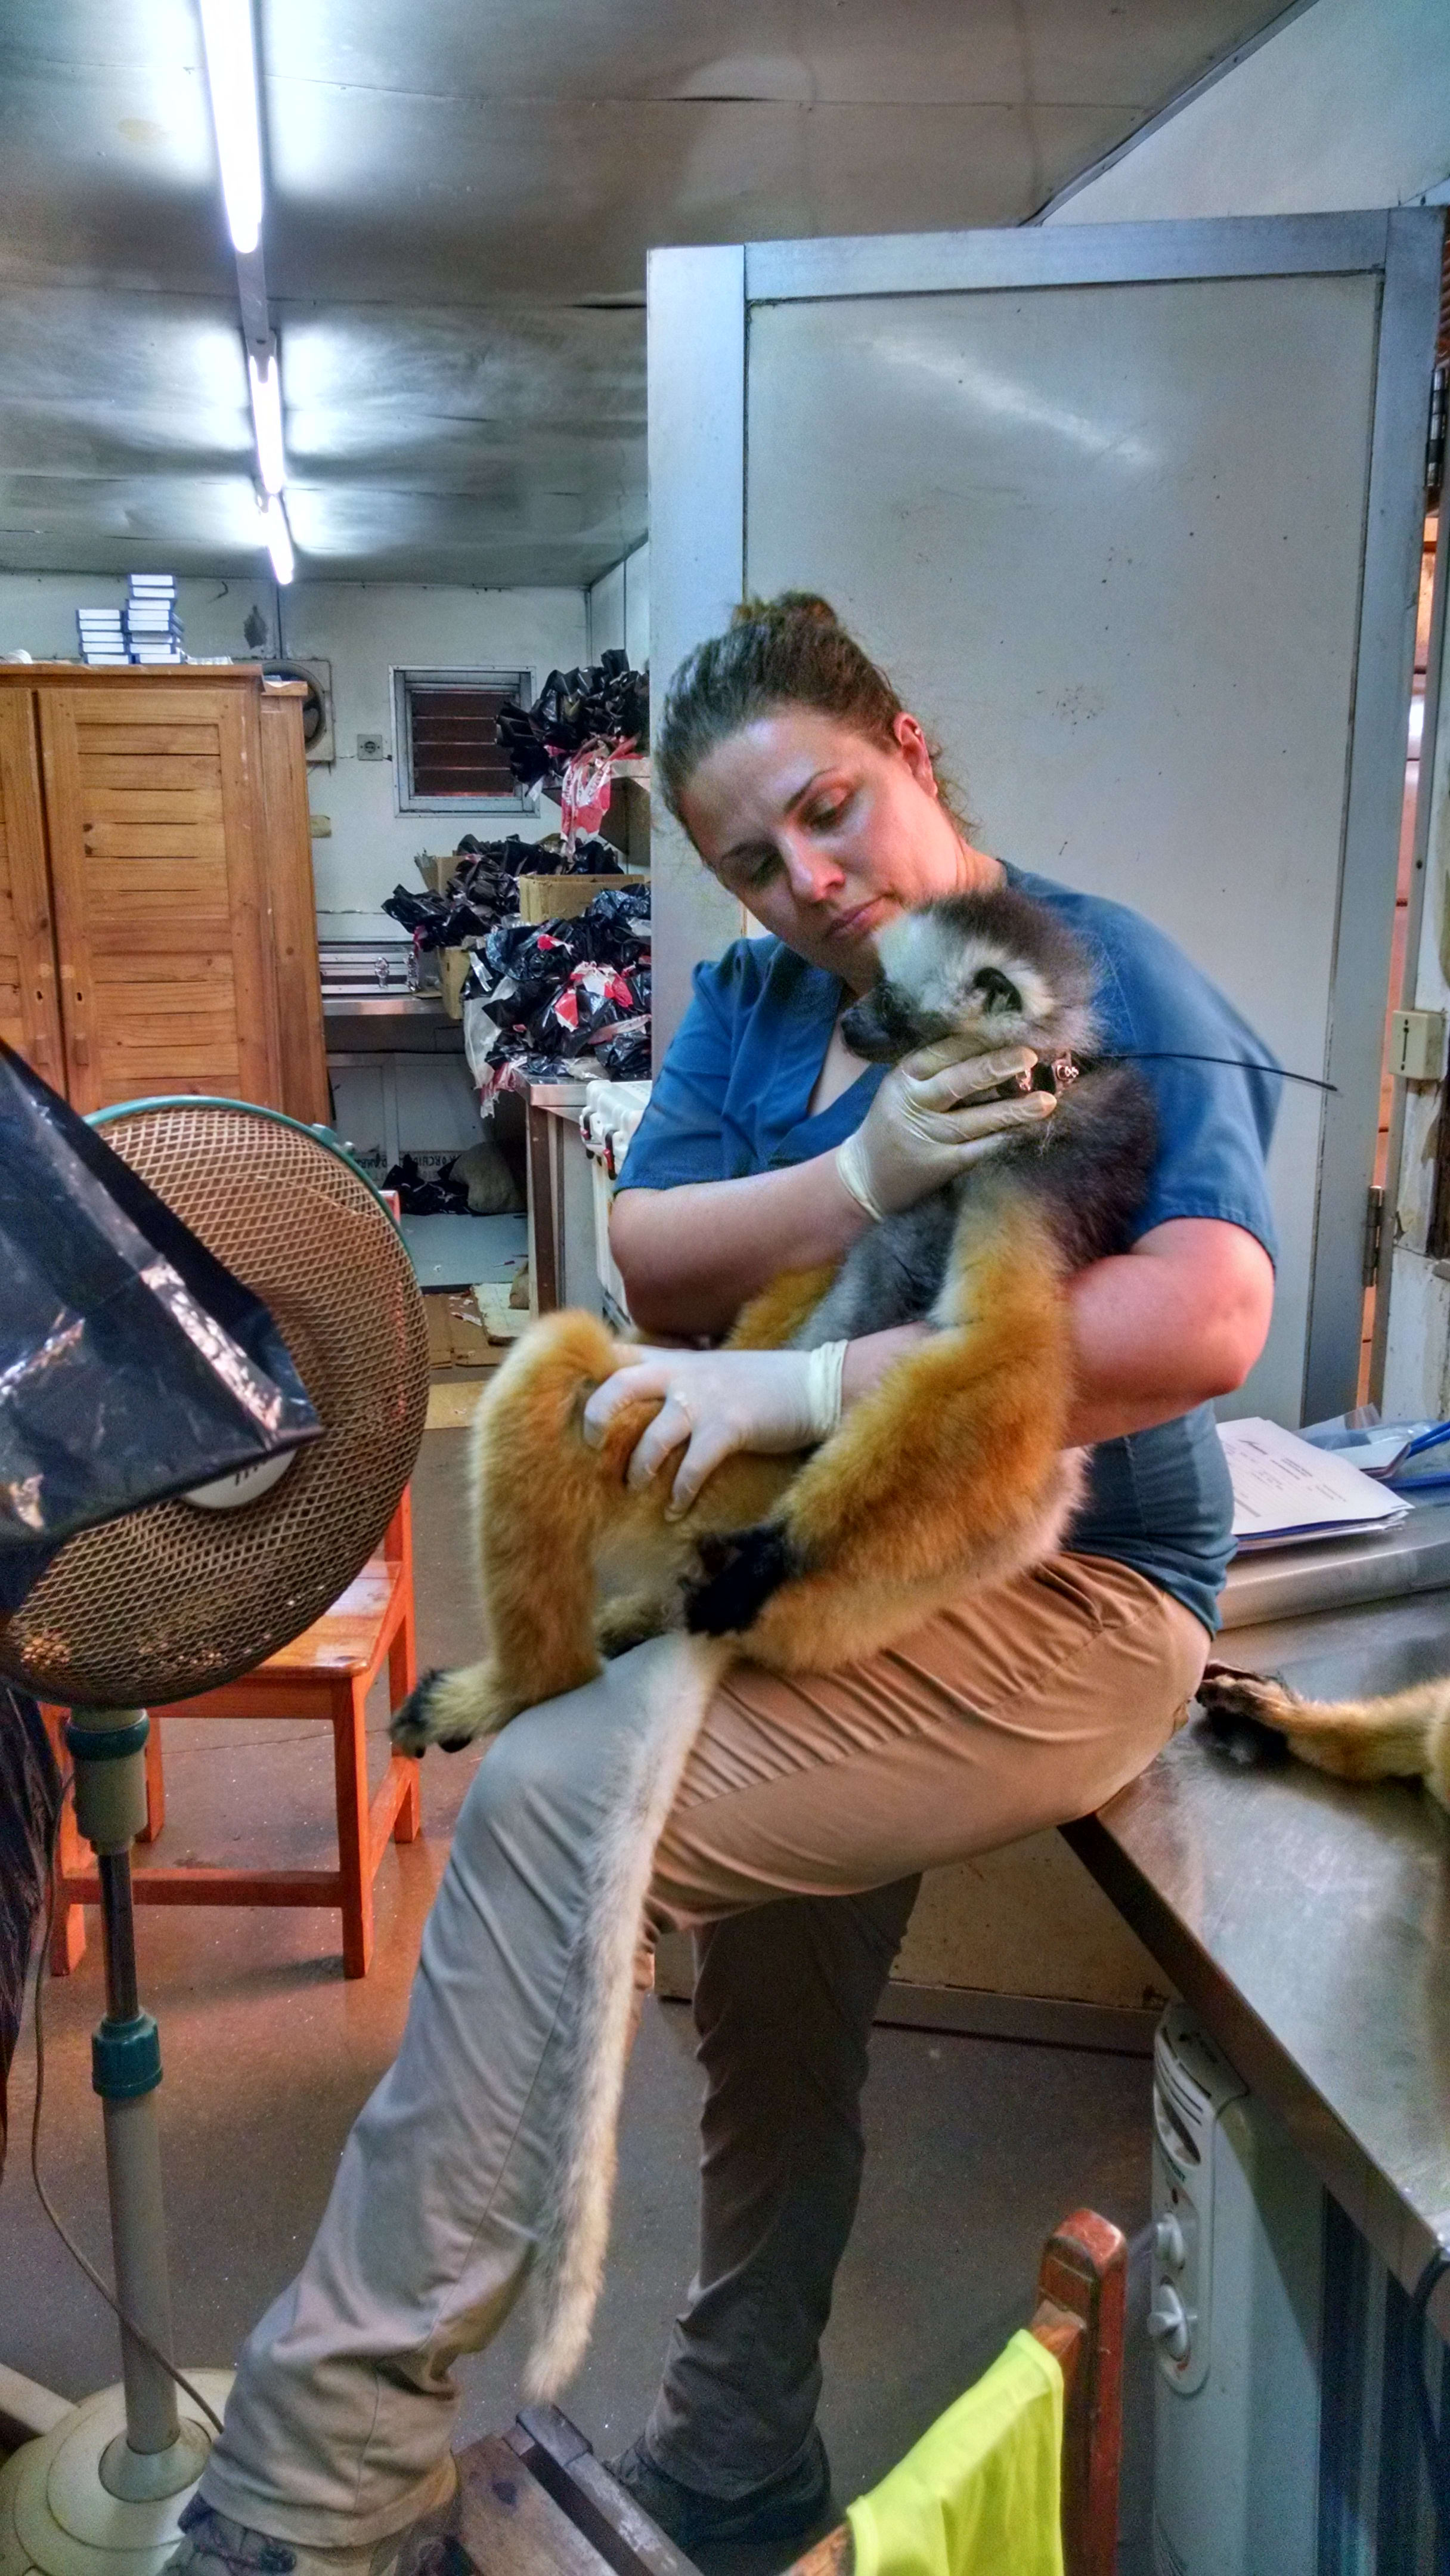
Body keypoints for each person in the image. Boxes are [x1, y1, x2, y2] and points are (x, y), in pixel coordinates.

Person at [172, 597, 1277, 2576]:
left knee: (545, 1822)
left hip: (1065, 1580)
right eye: (753, 864)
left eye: (833, 815)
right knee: (773, 2042)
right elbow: (654, 1255)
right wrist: (858, 1181)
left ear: (914, 751)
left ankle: (307, 2491)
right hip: (819, 1554)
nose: (812, 884)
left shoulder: (1092, 978)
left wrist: (820, 1373)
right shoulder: (773, 1007)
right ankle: (739, 2454)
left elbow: (1202, 1320)